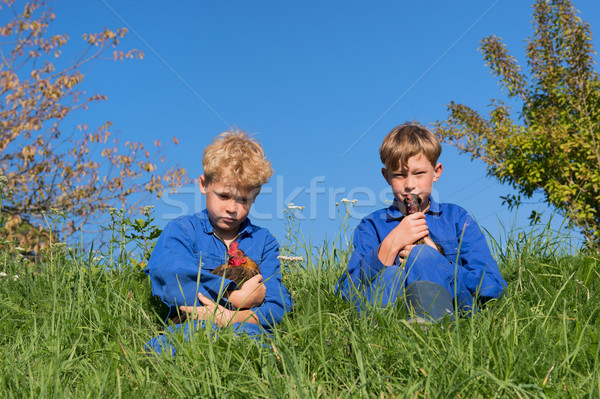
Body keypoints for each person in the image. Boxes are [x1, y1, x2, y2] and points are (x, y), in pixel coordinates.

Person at [336, 123, 506, 321]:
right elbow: (347, 292)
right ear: (386, 176)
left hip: (454, 313)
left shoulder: (457, 218)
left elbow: (493, 286)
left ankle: (432, 328)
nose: (409, 185)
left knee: (423, 255)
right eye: (399, 175)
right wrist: (390, 245)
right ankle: (383, 337)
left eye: (419, 173)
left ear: (436, 172)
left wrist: (439, 261)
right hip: (388, 314)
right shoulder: (372, 226)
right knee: (391, 275)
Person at [145, 130, 293, 354]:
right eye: (223, 196)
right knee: (170, 346)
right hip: (191, 325)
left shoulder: (263, 242)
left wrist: (232, 317)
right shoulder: (182, 231)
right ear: (204, 184)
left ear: (256, 194)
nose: (232, 208)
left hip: (246, 327)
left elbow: (277, 304)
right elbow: (171, 277)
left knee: (261, 349)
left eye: (243, 199)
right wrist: (233, 295)